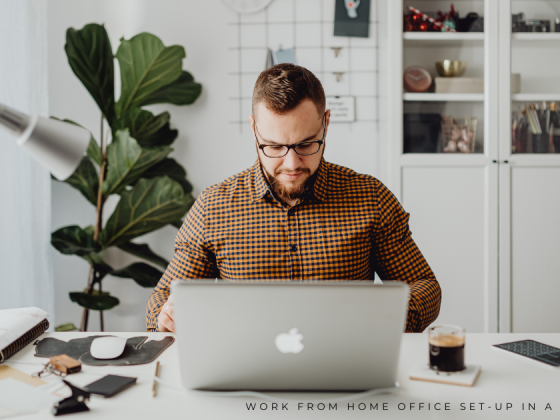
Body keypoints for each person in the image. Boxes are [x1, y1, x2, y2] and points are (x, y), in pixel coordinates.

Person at [146, 64, 441, 333]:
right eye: (273, 146)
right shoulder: (214, 207)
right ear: (253, 130)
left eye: (305, 144)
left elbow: (426, 287)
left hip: (347, 370)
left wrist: (389, 317)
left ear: (325, 124)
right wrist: (166, 315)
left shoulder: (370, 198)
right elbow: (163, 297)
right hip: (244, 376)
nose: (291, 164)